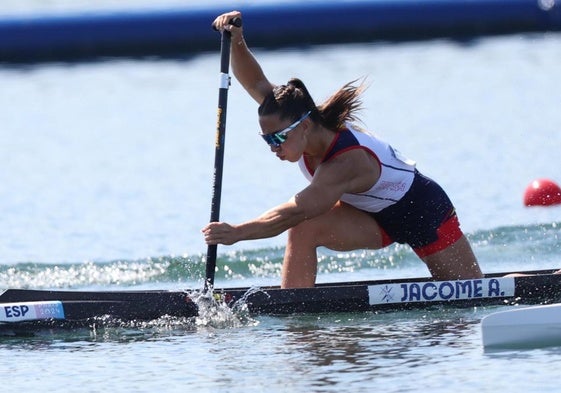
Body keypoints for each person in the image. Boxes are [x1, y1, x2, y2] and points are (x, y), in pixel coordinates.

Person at [203, 10, 483, 288]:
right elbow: (255, 83)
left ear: (304, 126)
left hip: (421, 211)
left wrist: (238, 232)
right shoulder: (291, 114)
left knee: (472, 292)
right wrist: (236, 39)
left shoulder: (346, 161)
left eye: (277, 139)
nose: (272, 147)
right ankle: (296, 320)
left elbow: (295, 210)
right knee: (304, 230)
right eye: (267, 140)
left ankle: (526, 291)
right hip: (368, 216)